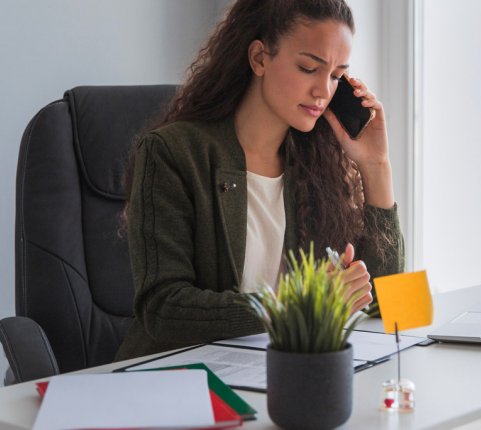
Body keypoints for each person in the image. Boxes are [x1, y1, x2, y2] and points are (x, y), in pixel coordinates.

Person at [116, 0, 404, 361]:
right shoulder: (173, 152)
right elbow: (164, 308)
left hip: (279, 370)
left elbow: (387, 305)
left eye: (335, 76)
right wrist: (297, 304)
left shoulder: (317, 170)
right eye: (308, 68)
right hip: (183, 378)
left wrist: (376, 165)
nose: (322, 91)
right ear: (260, 58)